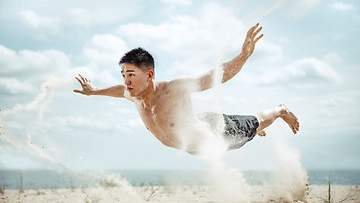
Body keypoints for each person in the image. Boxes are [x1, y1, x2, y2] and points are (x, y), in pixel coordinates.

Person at [74, 23, 299, 155]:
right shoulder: (134, 96)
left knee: (256, 122)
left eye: (131, 75)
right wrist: (94, 91)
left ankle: (280, 110)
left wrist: (242, 57)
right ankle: (258, 128)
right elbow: (116, 90)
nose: (126, 81)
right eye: (123, 75)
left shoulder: (174, 89)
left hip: (215, 133)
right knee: (252, 129)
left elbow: (213, 77)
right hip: (192, 139)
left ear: (149, 75)